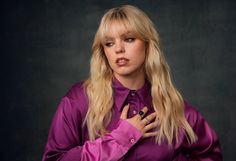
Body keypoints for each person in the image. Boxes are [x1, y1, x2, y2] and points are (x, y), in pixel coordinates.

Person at [42, 5, 222, 161]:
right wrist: (121, 137)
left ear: (147, 44)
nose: (119, 49)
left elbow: (210, 154)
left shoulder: (174, 108)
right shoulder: (79, 99)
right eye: (109, 43)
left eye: (129, 39)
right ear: (104, 51)